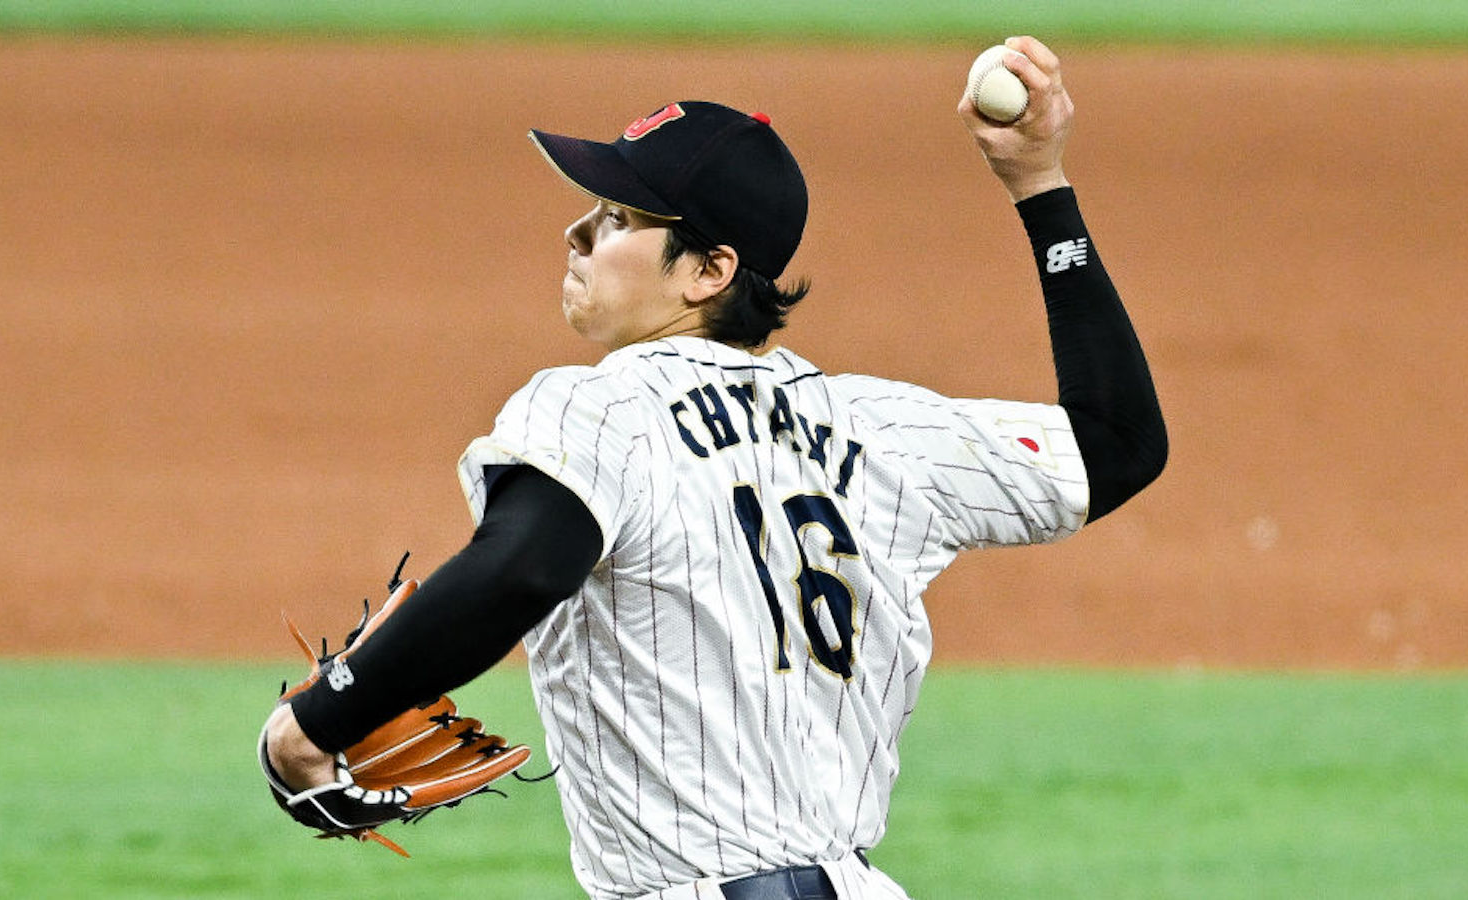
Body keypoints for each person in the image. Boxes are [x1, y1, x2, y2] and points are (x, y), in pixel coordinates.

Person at [264, 34, 1166, 900]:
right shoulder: (878, 428)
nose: (579, 232)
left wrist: (319, 722)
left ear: (708, 270)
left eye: (619, 217)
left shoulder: (598, 407)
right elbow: (1118, 442)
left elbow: (522, 568)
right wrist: (1041, 187)